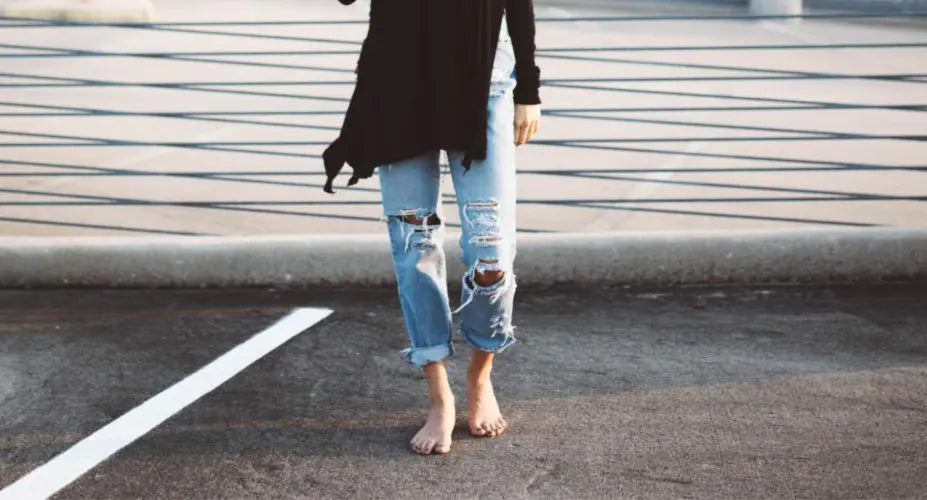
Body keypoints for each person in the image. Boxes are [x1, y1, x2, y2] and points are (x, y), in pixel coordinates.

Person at [322, 0, 542, 455]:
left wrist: (529, 88)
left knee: (491, 251)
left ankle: (480, 378)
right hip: (398, 85)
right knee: (414, 246)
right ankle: (438, 392)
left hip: (486, 83)